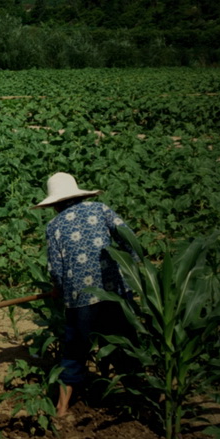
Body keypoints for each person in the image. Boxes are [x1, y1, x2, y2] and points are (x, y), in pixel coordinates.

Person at [33, 172, 136, 417]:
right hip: (115, 291)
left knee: (75, 350)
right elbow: (128, 237)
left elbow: (55, 267)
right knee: (127, 343)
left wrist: (58, 287)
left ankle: (62, 408)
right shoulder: (100, 209)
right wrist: (134, 265)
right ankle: (139, 398)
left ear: (55, 203)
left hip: (80, 298)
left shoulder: (54, 225)